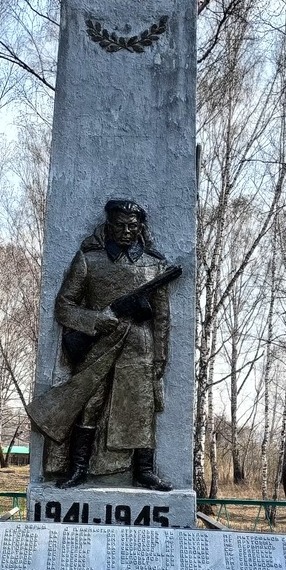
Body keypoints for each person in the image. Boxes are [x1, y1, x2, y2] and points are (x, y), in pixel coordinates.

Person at [25, 199, 173, 490]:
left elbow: (163, 318)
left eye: (133, 226)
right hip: (97, 346)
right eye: (119, 225)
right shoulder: (89, 259)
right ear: (108, 224)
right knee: (89, 405)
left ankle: (144, 470)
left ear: (141, 227)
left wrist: (160, 357)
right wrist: (96, 319)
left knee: (141, 408)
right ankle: (79, 467)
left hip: (138, 348)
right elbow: (63, 307)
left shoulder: (155, 265)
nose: (126, 231)